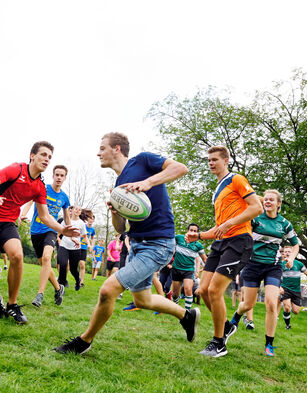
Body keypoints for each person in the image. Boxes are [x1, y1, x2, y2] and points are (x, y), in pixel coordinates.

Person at [54, 132, 199, 355]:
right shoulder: (119, 184)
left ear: (117, 149)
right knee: (143, 299)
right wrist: (114, 212)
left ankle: (84, 341)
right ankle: (186, 316)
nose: (98, 152)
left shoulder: (142, 161)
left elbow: (180, 168)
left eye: (102, 148)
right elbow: (121, 229)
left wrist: (147, 183)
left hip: (158, 244)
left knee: (107, 289)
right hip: (137, 244)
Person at [0, 141, 79, 324]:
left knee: (17, 256)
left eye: (50, 157)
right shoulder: (16, 169)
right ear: (32, 155)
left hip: (6, 223)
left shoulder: (39, 187)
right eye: (43, 155)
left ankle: (12, 305)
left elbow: (45, 216)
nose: (47, 159)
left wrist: (62, 230)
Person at [189, 146, 262, 358]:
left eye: (214, 160)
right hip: (222, 243)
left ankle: (219, 342)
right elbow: (220, 228)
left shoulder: (236, 179)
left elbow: (256, 208)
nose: (210, 163)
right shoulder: (217, 190)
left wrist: (230, 223)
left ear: (226, 160)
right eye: (208, 160)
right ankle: (227, 326)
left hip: (239, 241)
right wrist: (200, 235)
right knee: (202, 290)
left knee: (214, 290)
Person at [229, 189, 300, 357]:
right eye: (266, 199)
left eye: (271, 200)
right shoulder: (255, 219)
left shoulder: (284, 224)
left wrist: (292, 257)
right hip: (253, 265)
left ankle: (269, 344)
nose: (268, 202)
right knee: (248, 305)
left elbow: (295, 244)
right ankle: (237, 317)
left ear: (278, 203)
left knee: (270, 303)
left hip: (273, 267)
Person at [20, 164, 70, 308]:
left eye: (62, 175)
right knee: (45, 265)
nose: (59, 177)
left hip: (51, 230)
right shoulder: (43, 188)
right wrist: (22, 215)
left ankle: (39, 295)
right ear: (53, 176)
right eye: (57, 175)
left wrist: (72, 234)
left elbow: (67, 219)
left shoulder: (64, 198)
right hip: (36, 231)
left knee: (47, 258)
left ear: (65, 178)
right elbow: (29, 202)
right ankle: (58, 288)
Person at [170, 223, 207, 311]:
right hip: (176, 268)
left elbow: (204, 259)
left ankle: (187, 312)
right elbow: (169, 245)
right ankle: (175, 308)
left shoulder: (198, 245)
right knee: (175, 294)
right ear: (188, 231)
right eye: (191, 230)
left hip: (189, 270)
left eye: (195, 231)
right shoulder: (178, 238)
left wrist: (212, 269)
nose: (192, 232)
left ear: (197, 233)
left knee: (188, 289)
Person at [280, 245, 307, 330]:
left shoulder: (299, 264)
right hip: (285, 288)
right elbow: (276, 276)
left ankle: (288, 310)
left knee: (296, 311)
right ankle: (287, 325)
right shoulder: (281, 264)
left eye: (289, 252)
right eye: (285, 252)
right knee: (287, 307)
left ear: (293, 253)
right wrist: (279, 287)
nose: (287, 253)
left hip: (296, 290)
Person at [57, 206, 88, 291]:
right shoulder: (66, 221)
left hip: (75, 248)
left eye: (79, 210)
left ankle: (78, 280)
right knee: (63, 264)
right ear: (72, 210)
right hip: (64, 245)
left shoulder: (81, 223)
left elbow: (84, 236)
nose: (78, 210)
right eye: (76, 209)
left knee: (73, 269)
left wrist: (88, 244)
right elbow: (59, 231)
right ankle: (61, 285)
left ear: (80, 212)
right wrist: (57, 238)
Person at [79, 209, 96, 287]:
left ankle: (81, 282)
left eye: (92, 219)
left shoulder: (92, 230)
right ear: (87, 219)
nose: (91, 220)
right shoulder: (83, 226)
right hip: (77, 246)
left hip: (84, 248)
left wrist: (92, 246)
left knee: (82, 264)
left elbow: (92, 238)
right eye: (90, 218)